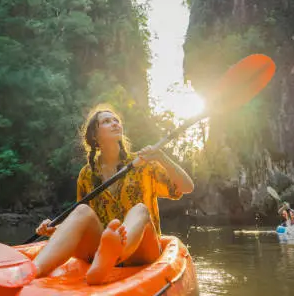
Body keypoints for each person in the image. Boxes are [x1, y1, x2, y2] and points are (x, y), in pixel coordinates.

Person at [32, 104, 194, 285]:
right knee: (82, 211)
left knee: (140, 209)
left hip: (143, 250)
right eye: (107, 121)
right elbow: (83, 225)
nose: (115, 123)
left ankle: (113, 254)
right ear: (94, 136)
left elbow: (187, 187)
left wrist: (161, 157)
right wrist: (54, 230)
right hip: (103, 245)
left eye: (116, 120)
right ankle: (34, 269)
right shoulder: (87, 174)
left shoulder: (144, 164)